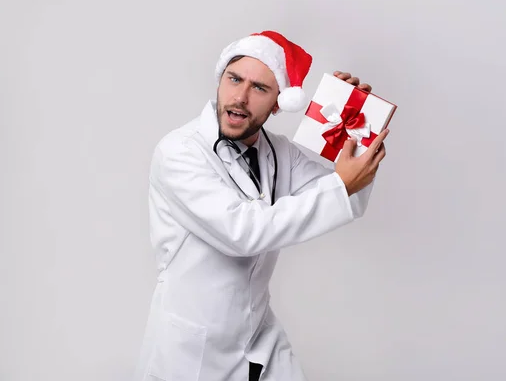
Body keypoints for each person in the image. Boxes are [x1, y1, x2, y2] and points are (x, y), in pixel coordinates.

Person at [134, 30, 390, 381]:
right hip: (193, 350)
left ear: (277, 103)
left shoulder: (280, 151)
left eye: (259, 88)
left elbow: (347, 196)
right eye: (234, 79)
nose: (239, 97)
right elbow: (244, 233)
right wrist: (341, 184)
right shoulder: (178, 152)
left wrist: (356, 131)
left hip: (257, 339)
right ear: (220, 80)